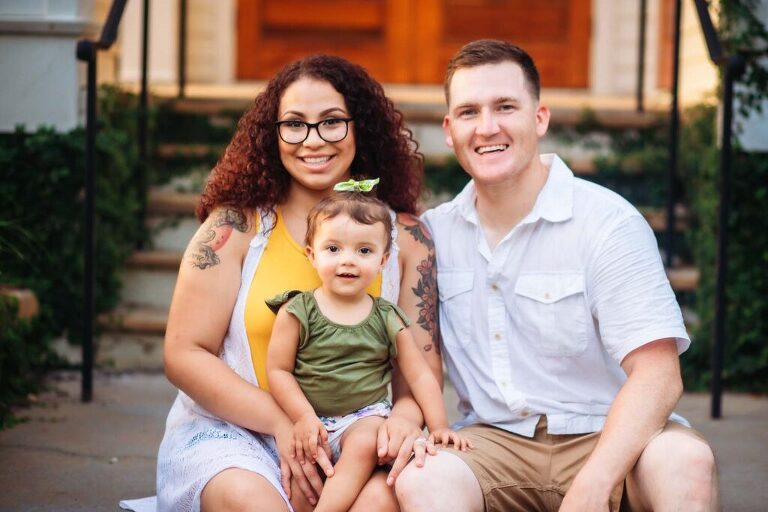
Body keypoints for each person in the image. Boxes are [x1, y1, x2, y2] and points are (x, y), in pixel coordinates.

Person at [395, 39, 718, 511]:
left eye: (506, 106)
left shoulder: (607, 222)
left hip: (607, 433)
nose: (487, 127)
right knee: (423, 479)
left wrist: (594, 483)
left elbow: (658, 375)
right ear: (449, 129)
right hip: (491, 443)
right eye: (469, 112)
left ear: (539, 118)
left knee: (685, 460)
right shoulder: (434, 236)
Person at [121, 55, 443, 512]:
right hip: (237, 433)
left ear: (361, 128)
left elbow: (421, 371)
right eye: (294, 124)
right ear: (273, 135)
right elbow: (183, 353)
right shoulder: (234, 227)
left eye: (332, 122)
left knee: (382, 502)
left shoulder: (407, 238)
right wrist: (282, 421)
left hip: (355, 439)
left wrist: (406, 420)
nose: (312, 140)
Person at [266, 182, 470, 512]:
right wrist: (302, 417)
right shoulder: (296, 311)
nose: (348, 260)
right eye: (333, 249)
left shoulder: (386, 317)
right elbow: (278, 370)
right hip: (310, 419)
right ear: (311, 254)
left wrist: (440, 426)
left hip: (365, 417)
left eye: (364, 251)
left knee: (364, 441)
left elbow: (419, 376)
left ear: (383, 260)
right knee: (301, 482)